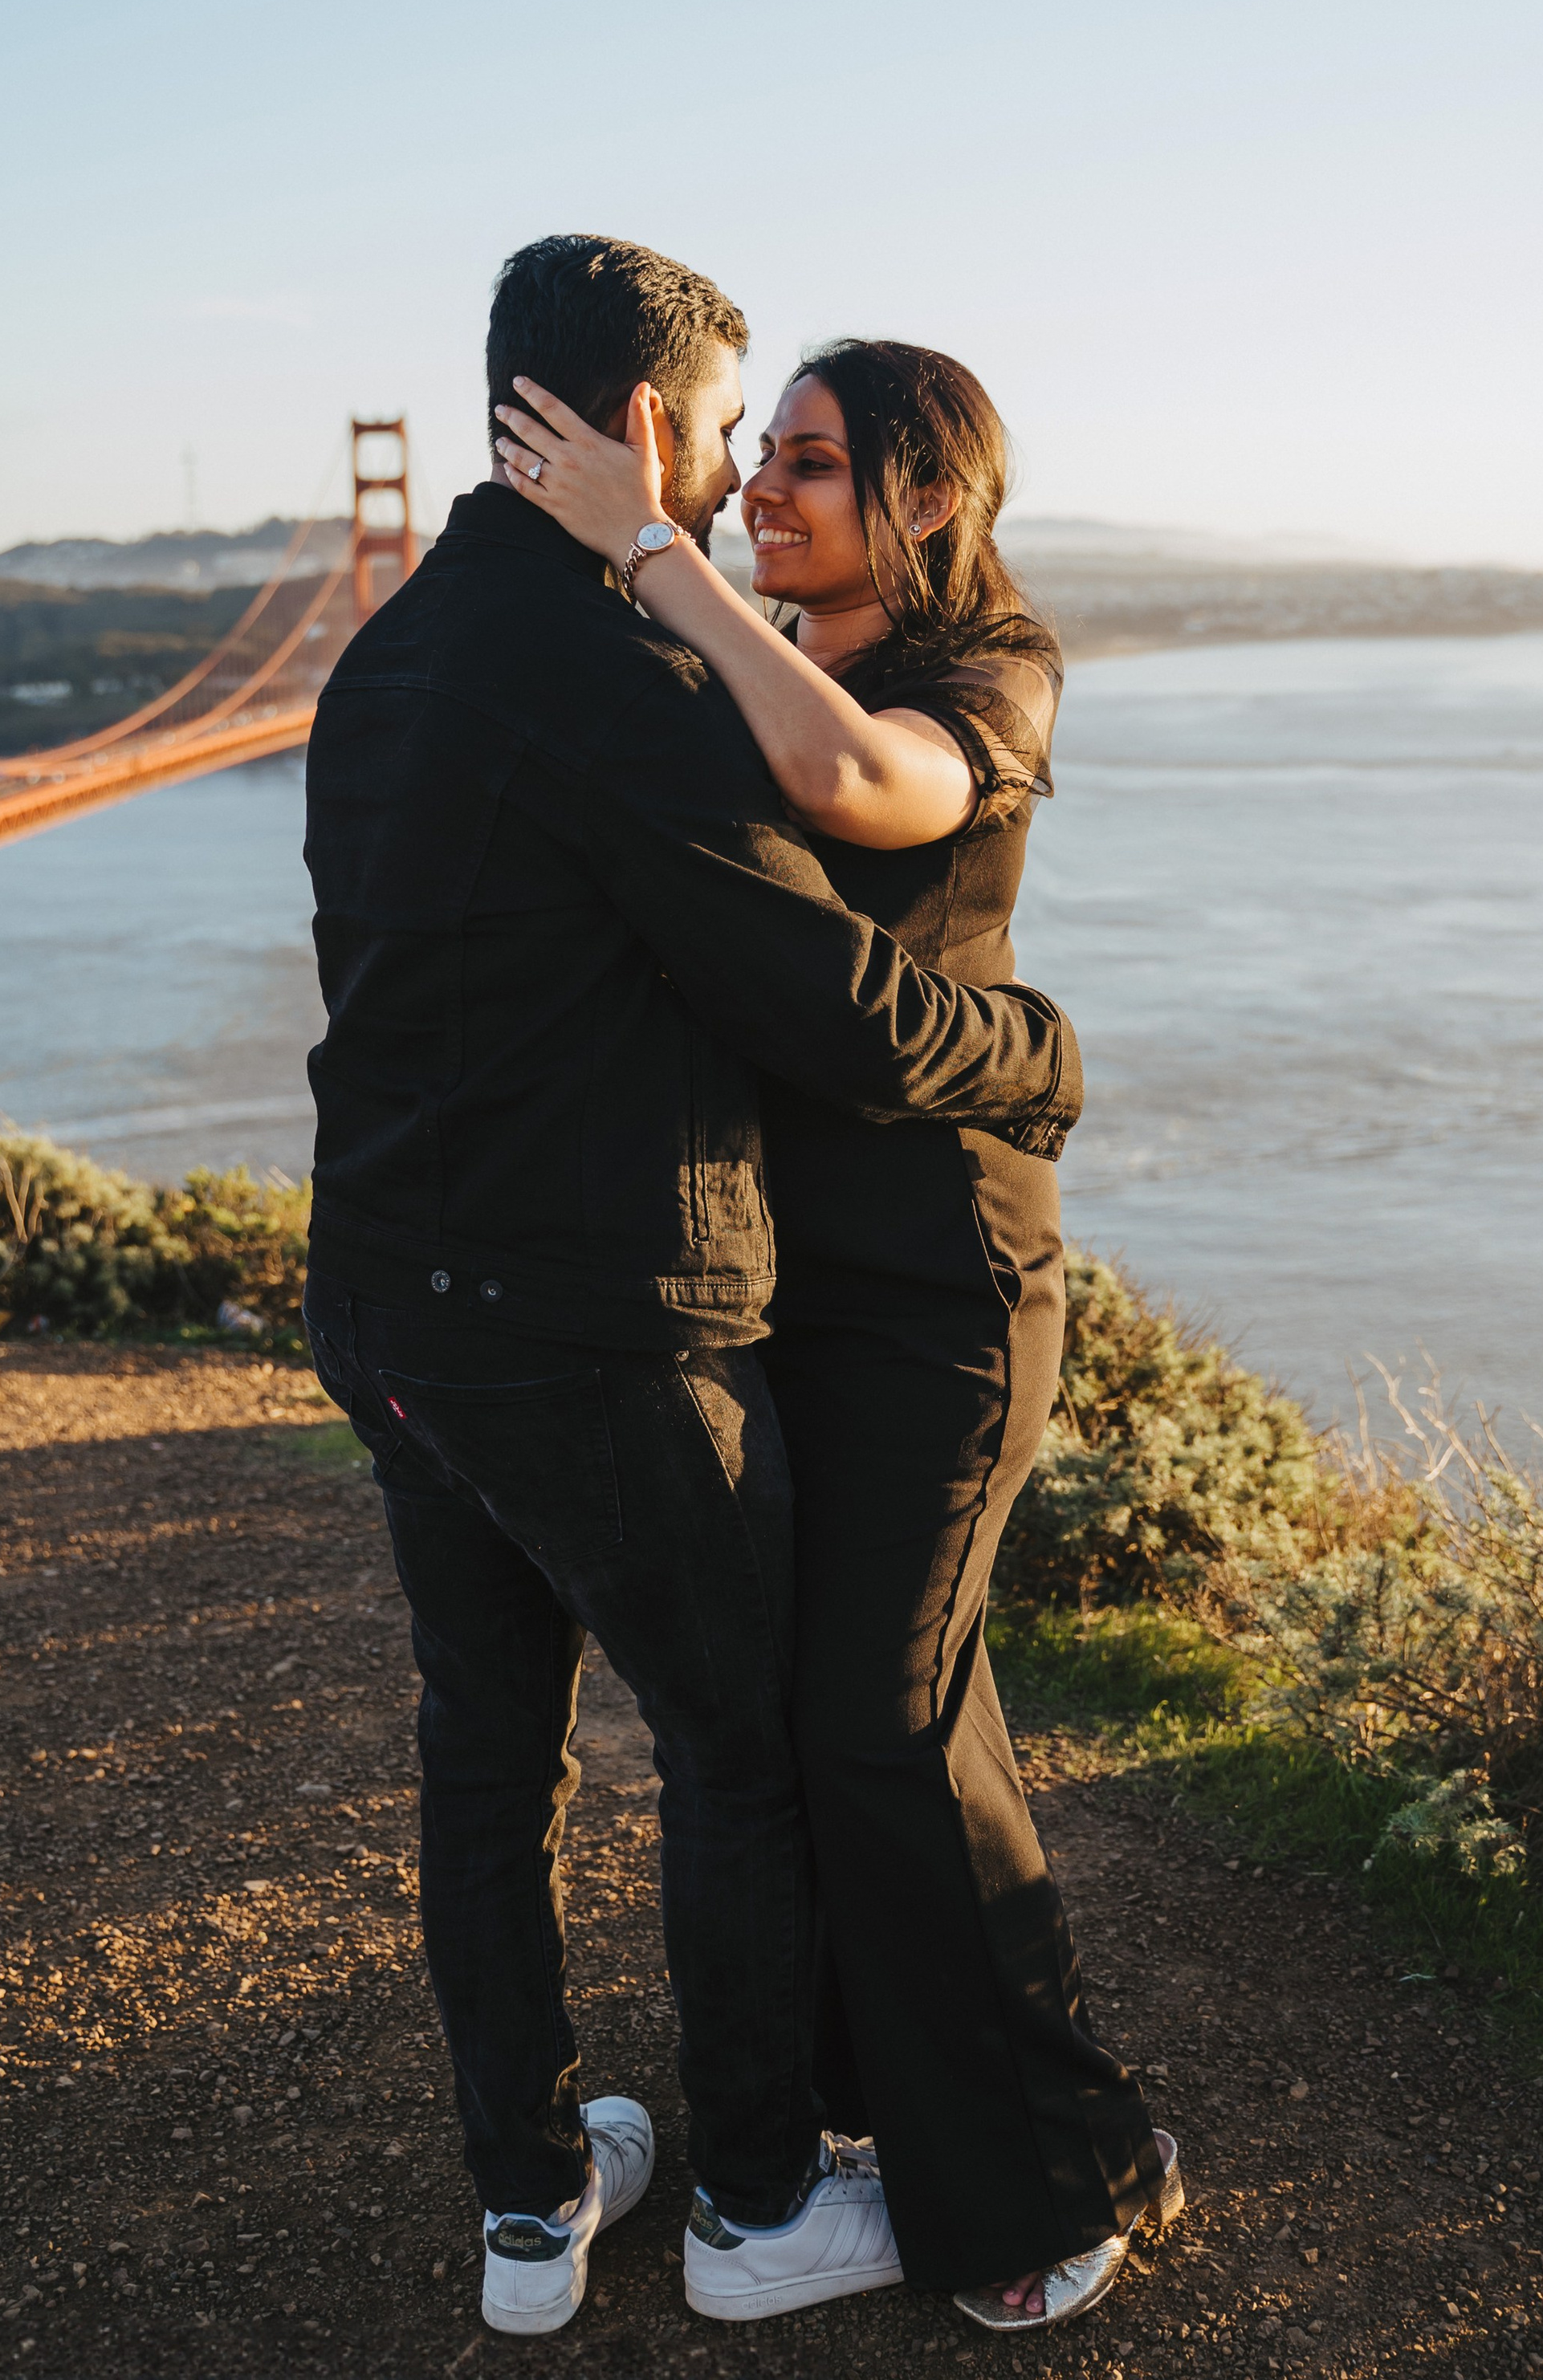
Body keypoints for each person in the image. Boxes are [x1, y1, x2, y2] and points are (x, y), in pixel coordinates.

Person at [300, 237, 1086, 2340]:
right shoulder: (618, 670)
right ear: (648, 429)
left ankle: (532, 2204)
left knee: (489, 1743)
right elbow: (813, 987)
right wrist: (1037, 1057)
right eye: (739, 435)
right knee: (746, 1749)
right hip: (586, 1320)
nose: (741, 484)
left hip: (380, 1296)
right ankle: (754, 2203)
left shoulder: (383, 659)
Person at [495, 336, 1182, 2334]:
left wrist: (649, 553)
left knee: (882, 1724)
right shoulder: (746, 649)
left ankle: (1060, 2167)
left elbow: (858, 785)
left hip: (946, 1296)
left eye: (808, 464)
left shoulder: (987, 671)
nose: (757, 494)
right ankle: (950, 2120)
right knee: (845, 1729)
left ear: (928, 502)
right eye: (758, 459)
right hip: (776, 1289)